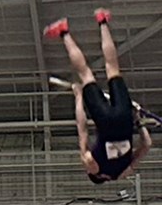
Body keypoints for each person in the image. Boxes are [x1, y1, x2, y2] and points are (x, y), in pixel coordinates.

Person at [45, 9, 152, 184]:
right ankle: (63, 32)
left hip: (126, 118)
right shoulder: (93, 167)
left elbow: (147, 144)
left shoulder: (122, 172)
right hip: (105, 120)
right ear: (96, 176)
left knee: (113, 68)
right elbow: (82, 128)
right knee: (86, 74)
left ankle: (102, 21)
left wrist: (138, 120)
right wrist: (78, 97)